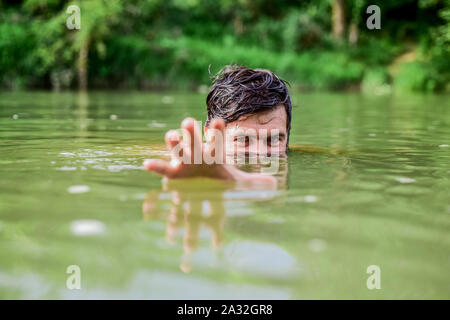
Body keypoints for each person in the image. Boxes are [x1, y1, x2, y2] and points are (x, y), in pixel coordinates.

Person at [143, 65, 292, 187]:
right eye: (242, 140)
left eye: (273, 140)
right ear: (210, 135)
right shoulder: (181, 157)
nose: (259, 154)